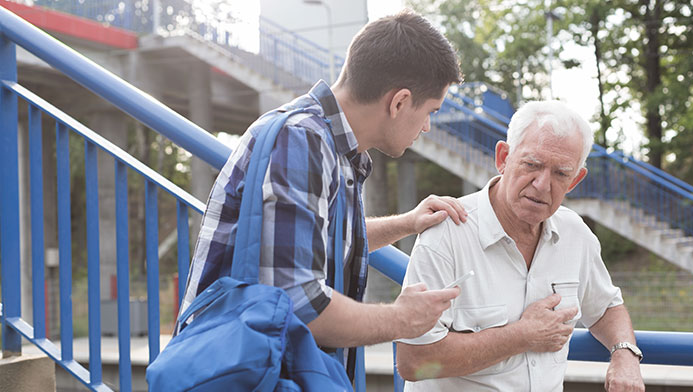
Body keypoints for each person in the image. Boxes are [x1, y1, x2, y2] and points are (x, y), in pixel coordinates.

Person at [180, 9, 467, 380]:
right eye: (430, 111)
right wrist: (401, 318)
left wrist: (408, 223)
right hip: (246, 377)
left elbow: (313, 236)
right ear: (398, 102)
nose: (427, 126)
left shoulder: (330, 144)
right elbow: (297, 302)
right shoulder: (299, 141)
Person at [396, 100, 645, 391]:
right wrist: (521, 335)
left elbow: (605, 308)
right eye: (532, 165)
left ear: (575, 181)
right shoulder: (447, 233)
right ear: (503, 157)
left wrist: (625, 352)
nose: (542, 184)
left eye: (560, 173)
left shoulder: (575, 233)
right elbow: (413, 360)